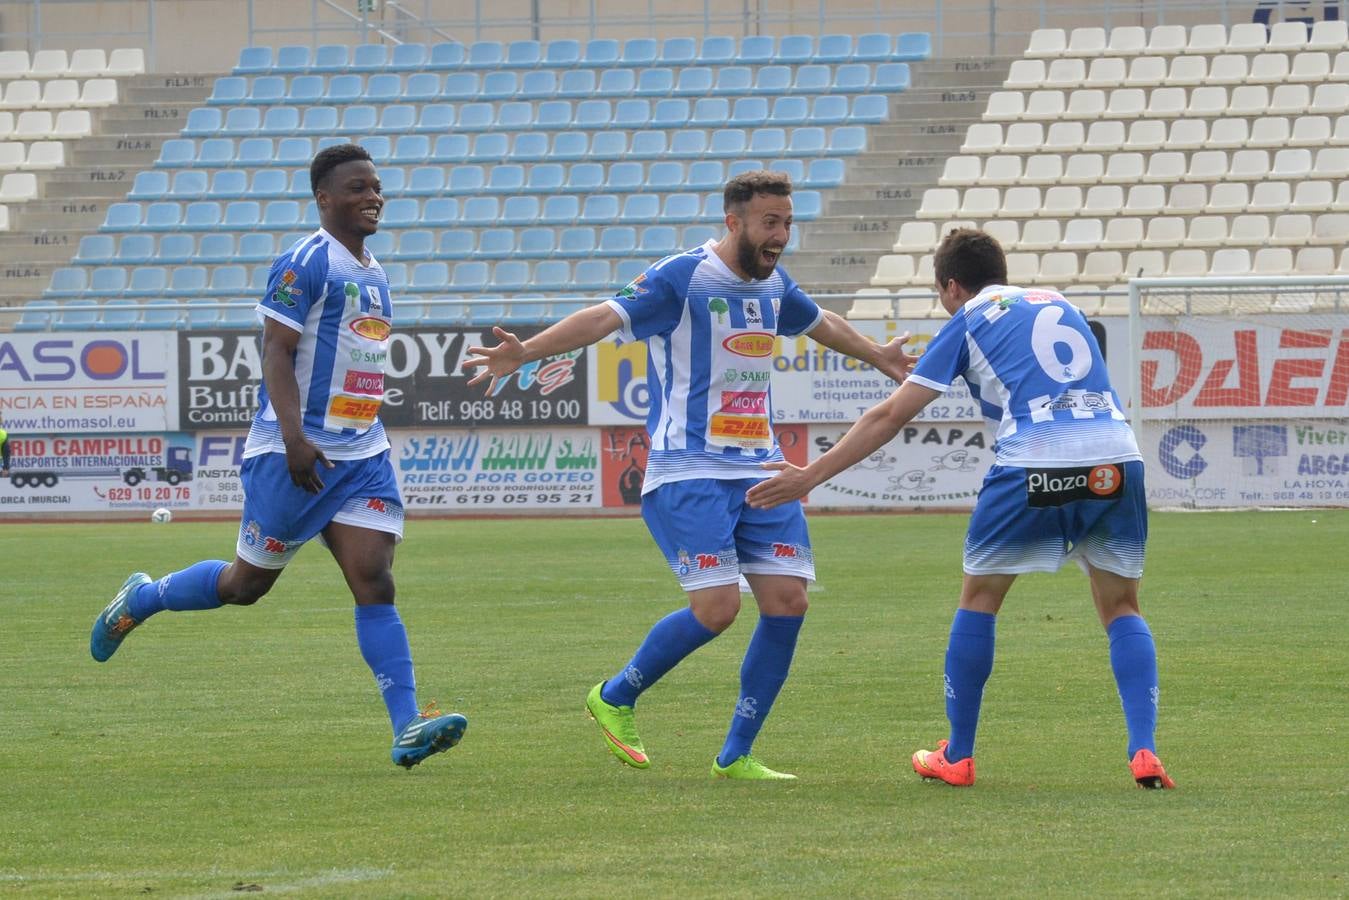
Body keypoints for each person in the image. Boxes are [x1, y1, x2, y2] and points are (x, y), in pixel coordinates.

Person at [465, 171, 914, 780]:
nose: (780, 234)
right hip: (688, 470)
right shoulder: (682, 276)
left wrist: (879, 354)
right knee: (718, 609)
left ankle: (736, 755)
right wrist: (526, 351)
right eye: (769, 223)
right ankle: (615, 694)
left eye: (787, 222)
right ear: (734, 222)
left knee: (788, 602)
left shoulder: (773, 282)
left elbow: (818, 321)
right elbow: (602, 318)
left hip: (760, 468)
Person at [747, 228, 1175, 789]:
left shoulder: (968, 318)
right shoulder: (1059, 302)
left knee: (980, 599)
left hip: (1032, 462)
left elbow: (889, 416)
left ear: (951, 286)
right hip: (1117, 458)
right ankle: (1143, 749)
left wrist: (810, 475)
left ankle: (959, 755)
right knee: (1122, 606)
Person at [89, 144, 466, 769]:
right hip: (296, 451)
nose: (372, 196)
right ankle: (142, 598)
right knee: (245, 586)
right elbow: (275, 351)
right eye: (356, 188)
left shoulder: (374, 272)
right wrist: (294, 436)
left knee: (374, 579)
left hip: (362, 453)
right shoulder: (303, 263)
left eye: (376, 187)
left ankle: (407, 726)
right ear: (324, 198)